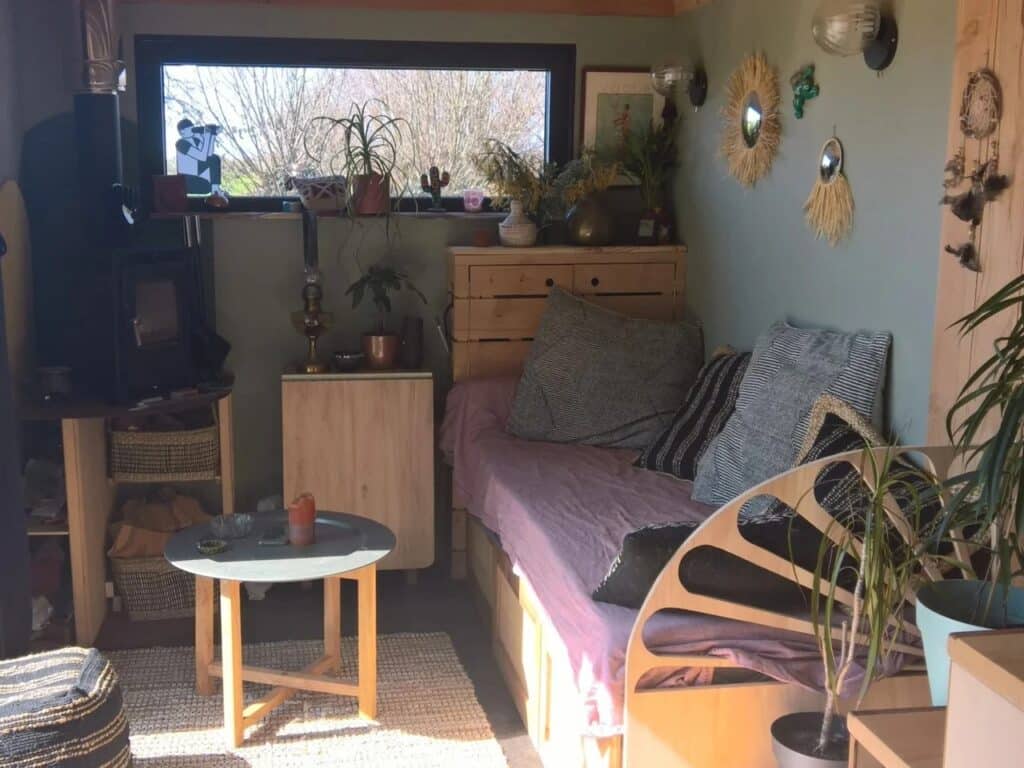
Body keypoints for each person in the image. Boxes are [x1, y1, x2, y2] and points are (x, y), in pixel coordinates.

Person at [175, 119, 223, 196]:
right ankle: (214, 191)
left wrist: (213, 135)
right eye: (189, 129)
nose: (192, 130)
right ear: (182, 131)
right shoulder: (181, 144)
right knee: (213, 159)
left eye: (192, 128)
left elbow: (209, 154)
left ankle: (215, 190)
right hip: (187, 180)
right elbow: (202, 157)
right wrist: (207, 136)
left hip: (197, 175)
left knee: (214, 158)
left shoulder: (196, 139)